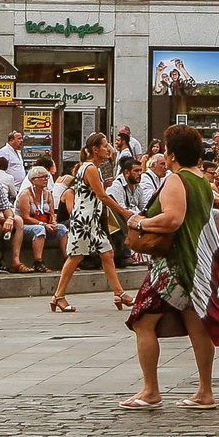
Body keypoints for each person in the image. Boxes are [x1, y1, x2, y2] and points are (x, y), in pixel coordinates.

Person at [119, 124, 219, 409]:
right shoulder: (202, 179)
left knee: (142, 321)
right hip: (198, 265)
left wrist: (139, 222)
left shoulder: (176, 180)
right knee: (196, 325)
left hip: (173, 267)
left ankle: (150, 390)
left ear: (173, 154)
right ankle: (204, 392)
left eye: (166, 149)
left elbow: (172, 220)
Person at [53, 132, 129, 314]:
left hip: (89, 219)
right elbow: (102, 195)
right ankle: (58, 296)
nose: (108, 148)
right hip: (84, 220)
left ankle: (119, 293)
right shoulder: (91, 169)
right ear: (95, 150)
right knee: (75, 257)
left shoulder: (88, 167)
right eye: (105, 145)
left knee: (108, 254)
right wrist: (123, 211)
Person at [16, 166, 65, 271]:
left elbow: (52, 213)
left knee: (62, 228)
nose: (45, 179)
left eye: (47, 177)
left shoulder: (47, 194)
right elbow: (25, 217)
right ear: (33, 180)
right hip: (25, 225)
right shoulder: (25, 194)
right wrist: (43, 224)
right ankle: (38, 261)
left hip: (45, 223)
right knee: (40, 229)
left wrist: (53, 222)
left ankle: (67, 258)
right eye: (42, 177)